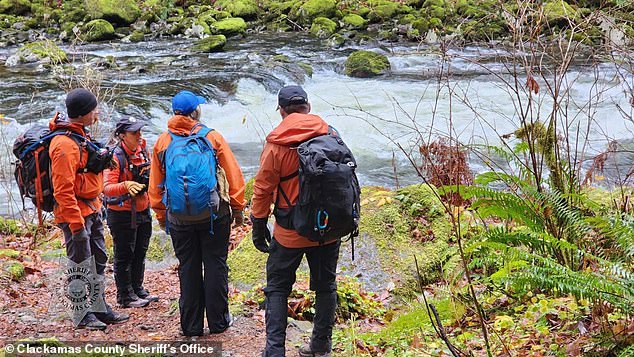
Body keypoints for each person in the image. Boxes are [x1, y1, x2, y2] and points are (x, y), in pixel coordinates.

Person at [251, 85, 341, 357]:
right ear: (308, 107)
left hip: (289, 231)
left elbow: (263, 188)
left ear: (281, 111)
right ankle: (321, 347)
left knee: (277, 288)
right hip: (327, 228)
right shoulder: (331, 133)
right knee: (326, 286)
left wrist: (258, 224)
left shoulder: (277, 144)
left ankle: (275, 351)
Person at [148, 90, 246, 336]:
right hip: (214, 215)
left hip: (179, 218)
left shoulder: (163, 142)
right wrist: (237, 208)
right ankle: (219, 322)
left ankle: (191, 326)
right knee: (215, 264)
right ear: (196, 112)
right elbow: (233, 175)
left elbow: (155, 185)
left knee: (188, 267)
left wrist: (161, 215)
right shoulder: (212, 137)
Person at [50, 88, 129, 330]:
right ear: (84, 113)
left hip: (91, 210)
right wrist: (75, 225)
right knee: (79, 263)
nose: (97, 113)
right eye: (94, 109)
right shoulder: (64, 145)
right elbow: (62, 190)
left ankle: (98, 307)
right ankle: (81, 314)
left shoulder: (79, 136)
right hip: (75, 215)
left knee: (98, 258)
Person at [103, 116, 158, 308]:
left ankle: (138, 288)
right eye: (134, 132)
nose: (139, 135)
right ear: (122, 135)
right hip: (121, 213)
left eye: (139, 131)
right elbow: (107, 188)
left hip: (143, 209)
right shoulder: (115, 157)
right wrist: (126, 185)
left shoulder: (143, 150)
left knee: (140, 252)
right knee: (124, 254)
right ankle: (125, 296)